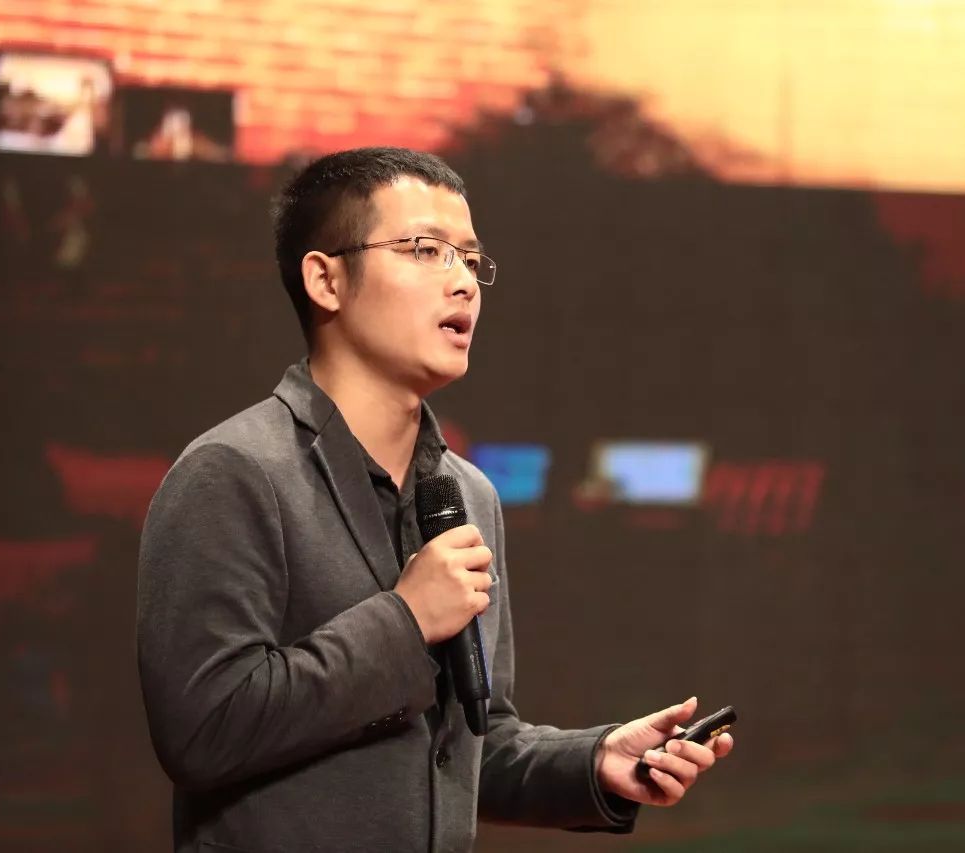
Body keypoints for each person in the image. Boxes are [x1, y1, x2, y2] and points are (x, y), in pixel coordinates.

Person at [136, 146, 734, 853]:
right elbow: (205, 729)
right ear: (326, 279)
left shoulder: (467, 495)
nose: (464, 283)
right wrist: (407, 619)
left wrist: (596, 763)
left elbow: (467, 748)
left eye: (471, 260)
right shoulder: (234, 472)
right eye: (425, 250)